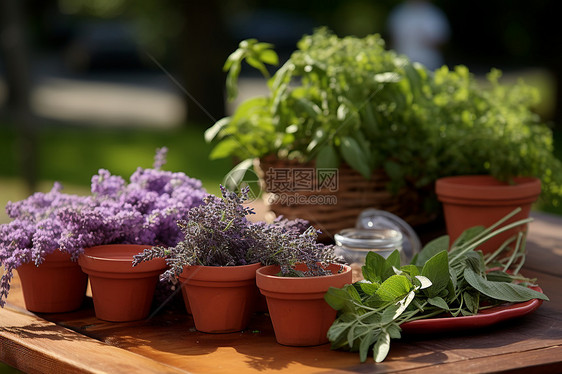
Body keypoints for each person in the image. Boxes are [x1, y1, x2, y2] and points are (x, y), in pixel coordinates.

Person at [387, 0, 450, 70]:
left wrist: (427, 41)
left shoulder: (435, 15)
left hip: (429, 64)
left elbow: (443, 42)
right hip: (403, 63)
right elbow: (392, 40)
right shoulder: (399, 13)